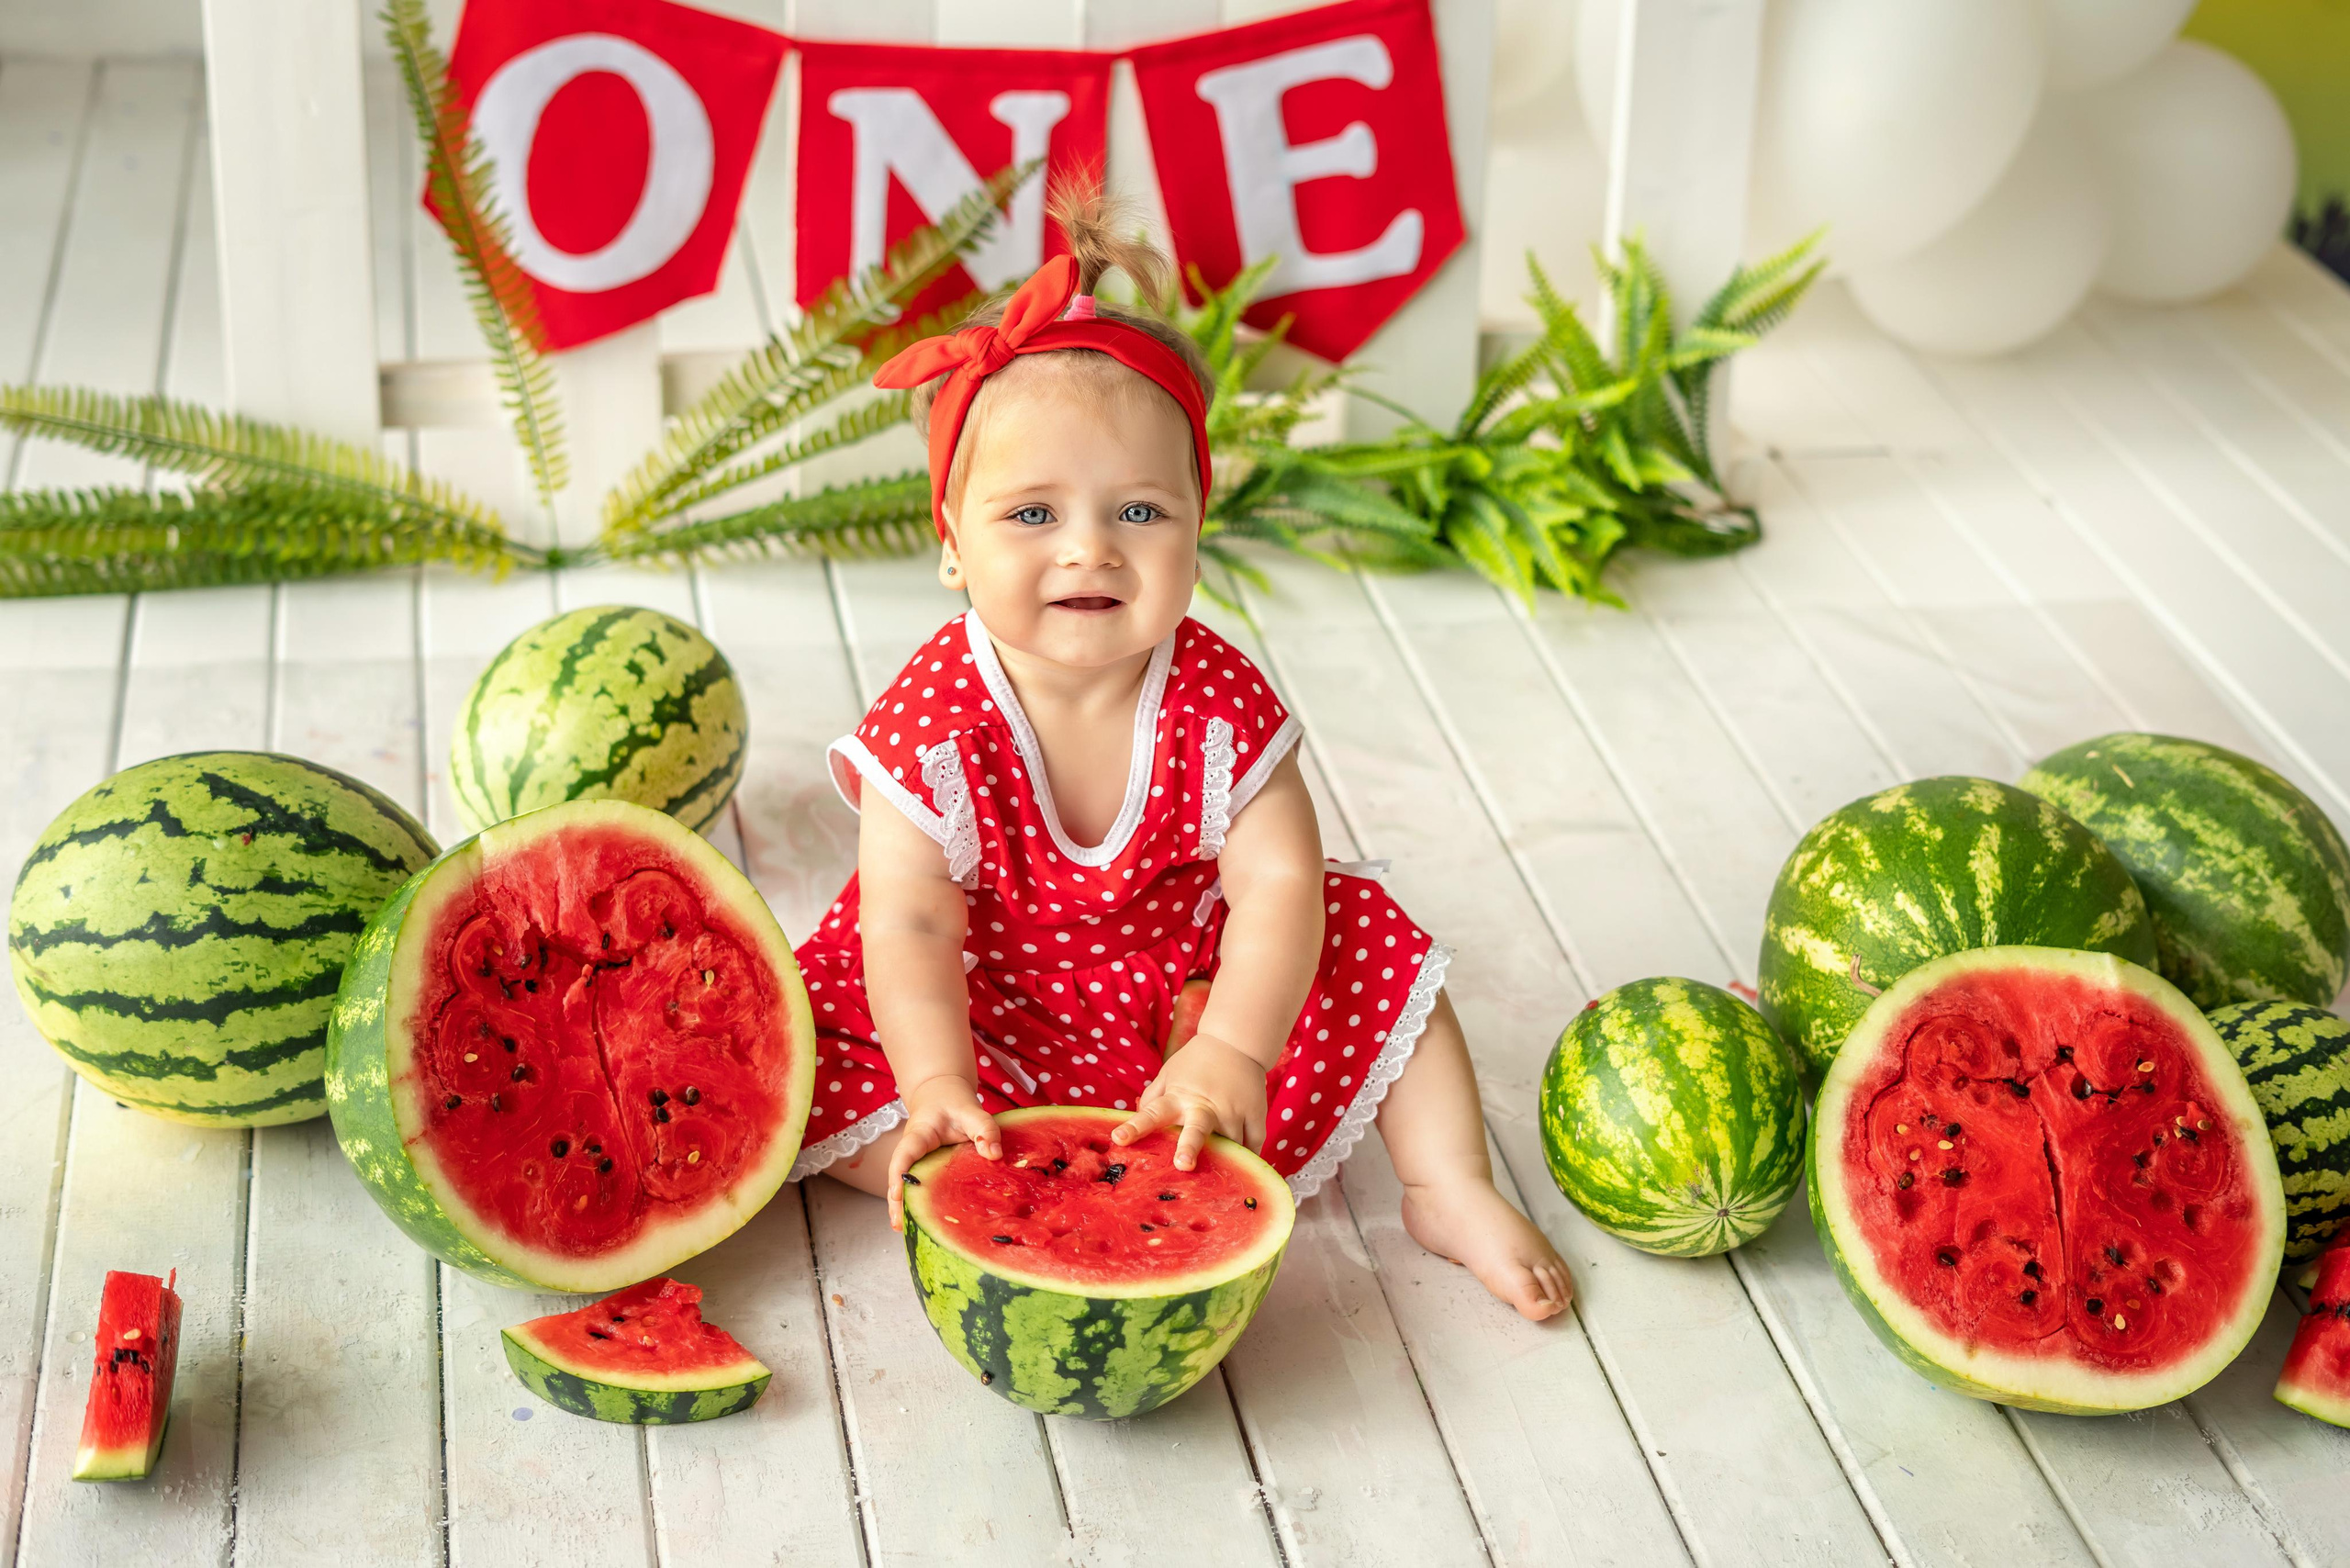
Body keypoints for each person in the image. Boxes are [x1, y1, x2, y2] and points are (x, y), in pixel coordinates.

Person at [788, 187, 1571, 1321]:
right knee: (818, 1055)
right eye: (1031, 516)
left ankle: (1445, 1183)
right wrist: (937, 1079)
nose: (1089, 549)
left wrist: (1237, 1049)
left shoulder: (1214, 699)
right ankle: (964, 1155)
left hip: (1186, 1006)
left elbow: (1279, 882)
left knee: (1380, 953)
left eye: (1141, 513)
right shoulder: (935, 716)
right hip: (984, 1010)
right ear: (952, 544)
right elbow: (907, 923)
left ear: (1199, 521)